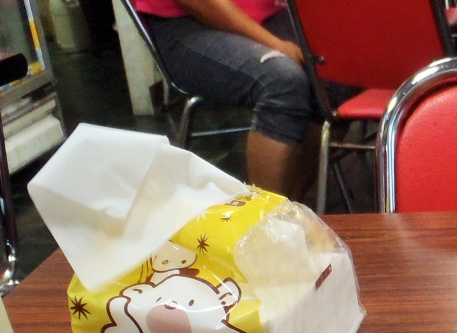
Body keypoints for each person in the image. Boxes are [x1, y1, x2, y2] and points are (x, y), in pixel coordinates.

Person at [134, 0, 319, 198]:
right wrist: (276, 45)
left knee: (332, 70)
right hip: (186, 23)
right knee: (282, 80)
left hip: (267, 13)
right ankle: (267, 212)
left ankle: (293, 204)